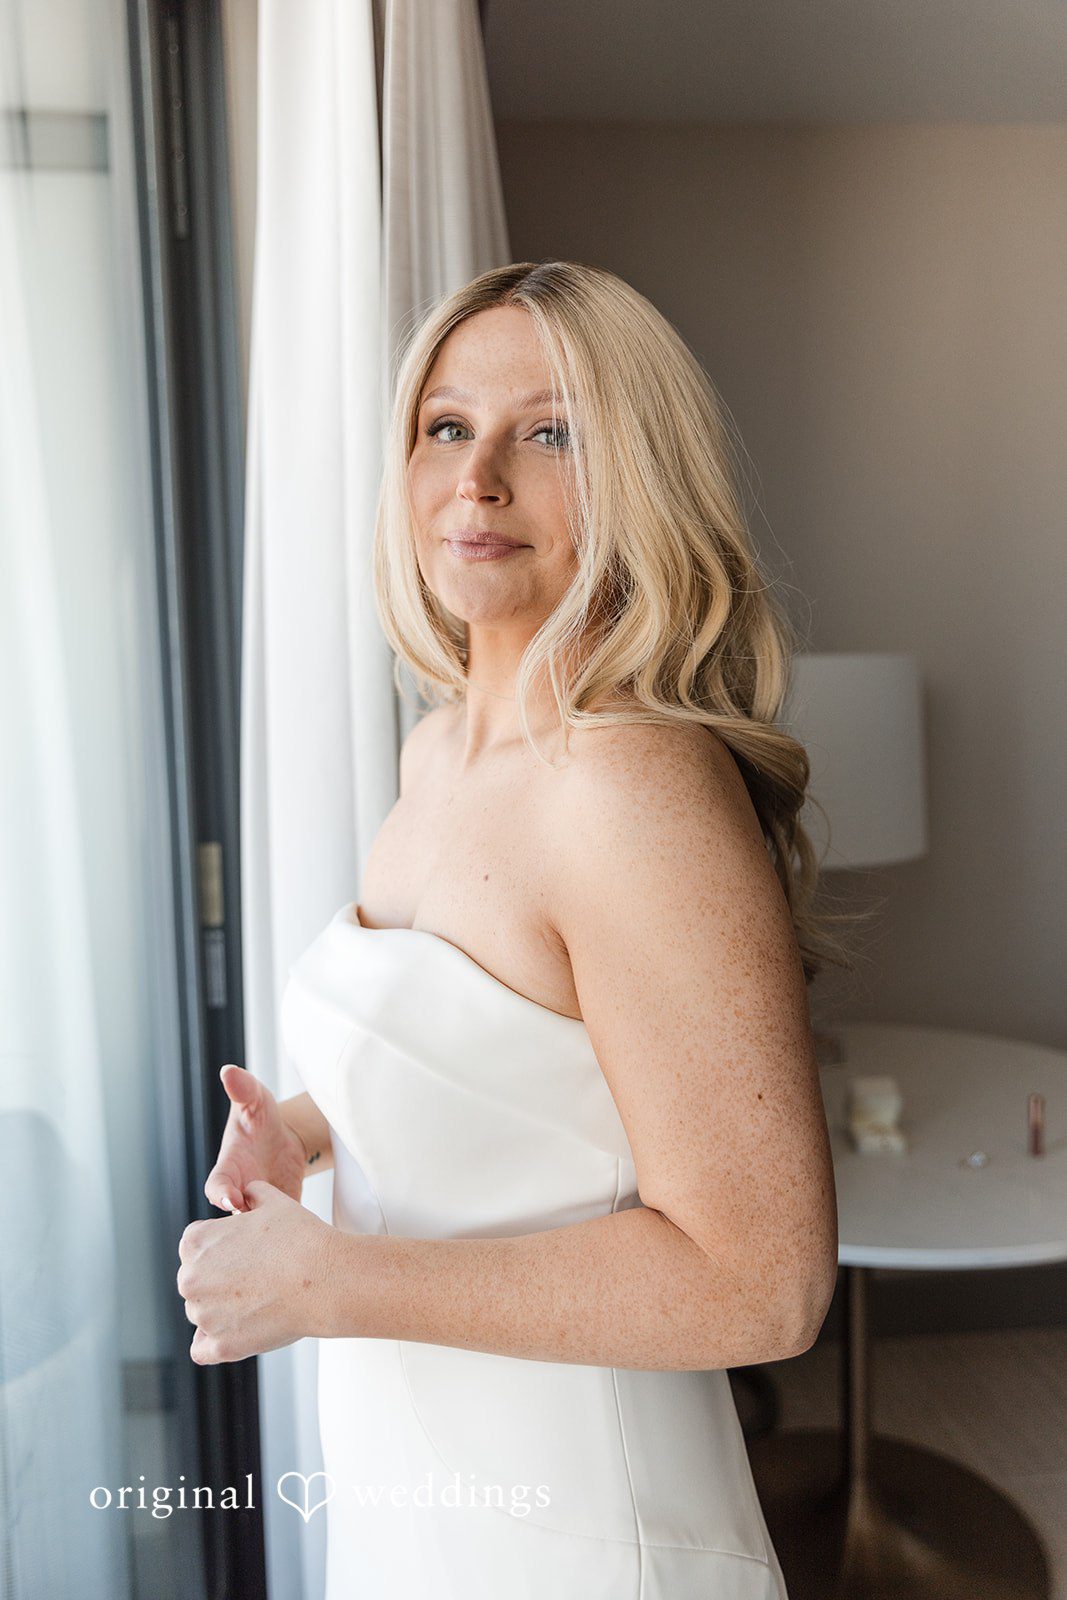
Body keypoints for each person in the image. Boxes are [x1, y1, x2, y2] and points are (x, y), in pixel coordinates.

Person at [178, 260, 847, 1598]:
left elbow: (764, 1282)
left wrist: (330, 1287)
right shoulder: (439, 757)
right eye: (446, 426)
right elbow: (532, 1078)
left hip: (584, 1537)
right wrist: (311, 1132)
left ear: (638, 480)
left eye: (549, 432)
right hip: (424, 1498)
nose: (477, 478)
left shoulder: (629, 787)